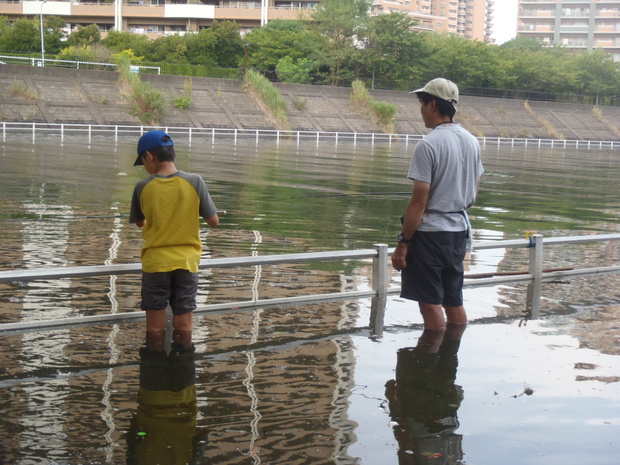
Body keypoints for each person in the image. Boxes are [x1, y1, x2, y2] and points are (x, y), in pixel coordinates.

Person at [391, 78, 483, 331]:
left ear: (432, 105)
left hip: (431, 234)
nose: (420, 109)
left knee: (429, 302)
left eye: (421, 104)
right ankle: (451, 352)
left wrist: (403, 243)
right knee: (453, 299)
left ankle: (432, 357)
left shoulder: (428, 144)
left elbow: (419, 202)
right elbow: (474, 190)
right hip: (458, 232)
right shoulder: (472, 141)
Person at [130, 129, 219, 350]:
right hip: (187, 262)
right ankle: (183, 375)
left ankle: (155, 376)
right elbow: (213, 221)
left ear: (150, 156)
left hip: (156, 262)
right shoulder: (195, 181)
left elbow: (140, 222)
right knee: (184, 324)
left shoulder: (142, 187)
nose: (145, 168)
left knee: (154, 327)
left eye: (143, 162)